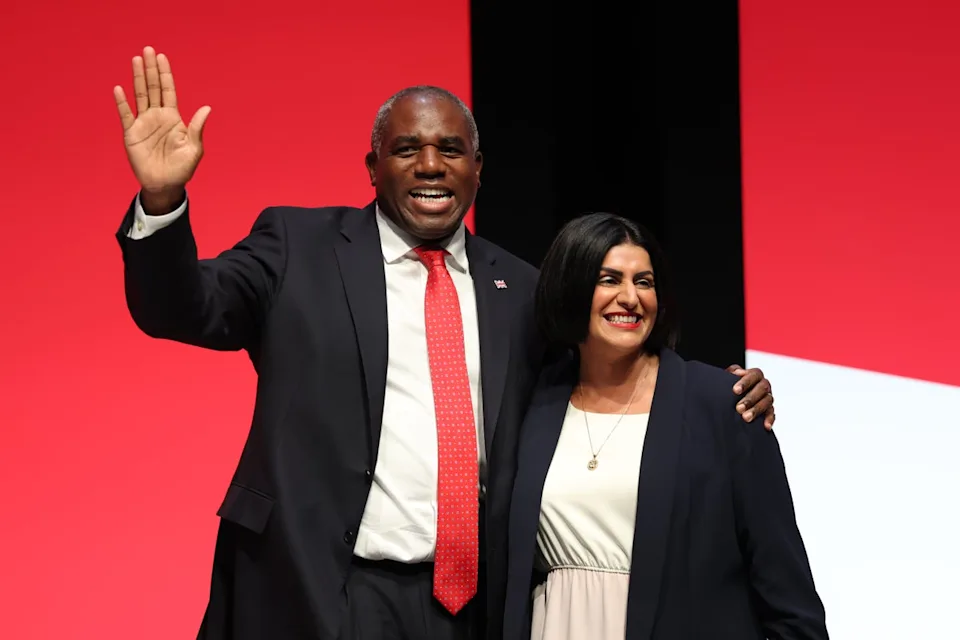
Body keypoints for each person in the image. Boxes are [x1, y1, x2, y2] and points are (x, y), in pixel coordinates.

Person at [111, 46, 778, 640]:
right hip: (318, 586)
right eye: (407, 149)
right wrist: (162, 199)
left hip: (469, 608)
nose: (430, 165)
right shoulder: (297, 247)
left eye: (450, 150)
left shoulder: (522, 289)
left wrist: (716, 395)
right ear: (373, 166)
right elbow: (182, 309)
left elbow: (599, 381)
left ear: (477, 168)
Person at [502, 213, 827, 640]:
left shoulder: (722, 403)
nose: (630, 298)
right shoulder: (533, 402)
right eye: (609, 280)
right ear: (570, 288)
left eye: (644, 282)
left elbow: (786, 589)